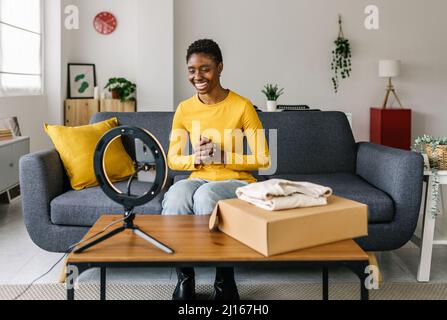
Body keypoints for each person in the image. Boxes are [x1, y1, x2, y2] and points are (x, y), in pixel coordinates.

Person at [162, 39, 270, 300]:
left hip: (237, 182)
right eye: (191, 69)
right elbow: (173, 159)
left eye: (205, 68)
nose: (197, 76)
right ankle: (185, 279)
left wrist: (223, 156)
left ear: (220, 68)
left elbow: (263, 159)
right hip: (199, 177)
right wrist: (196, 159)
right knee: (176, 195)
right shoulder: (185, 109)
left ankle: (225, 281)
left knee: (205, 196)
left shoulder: (242, 106)